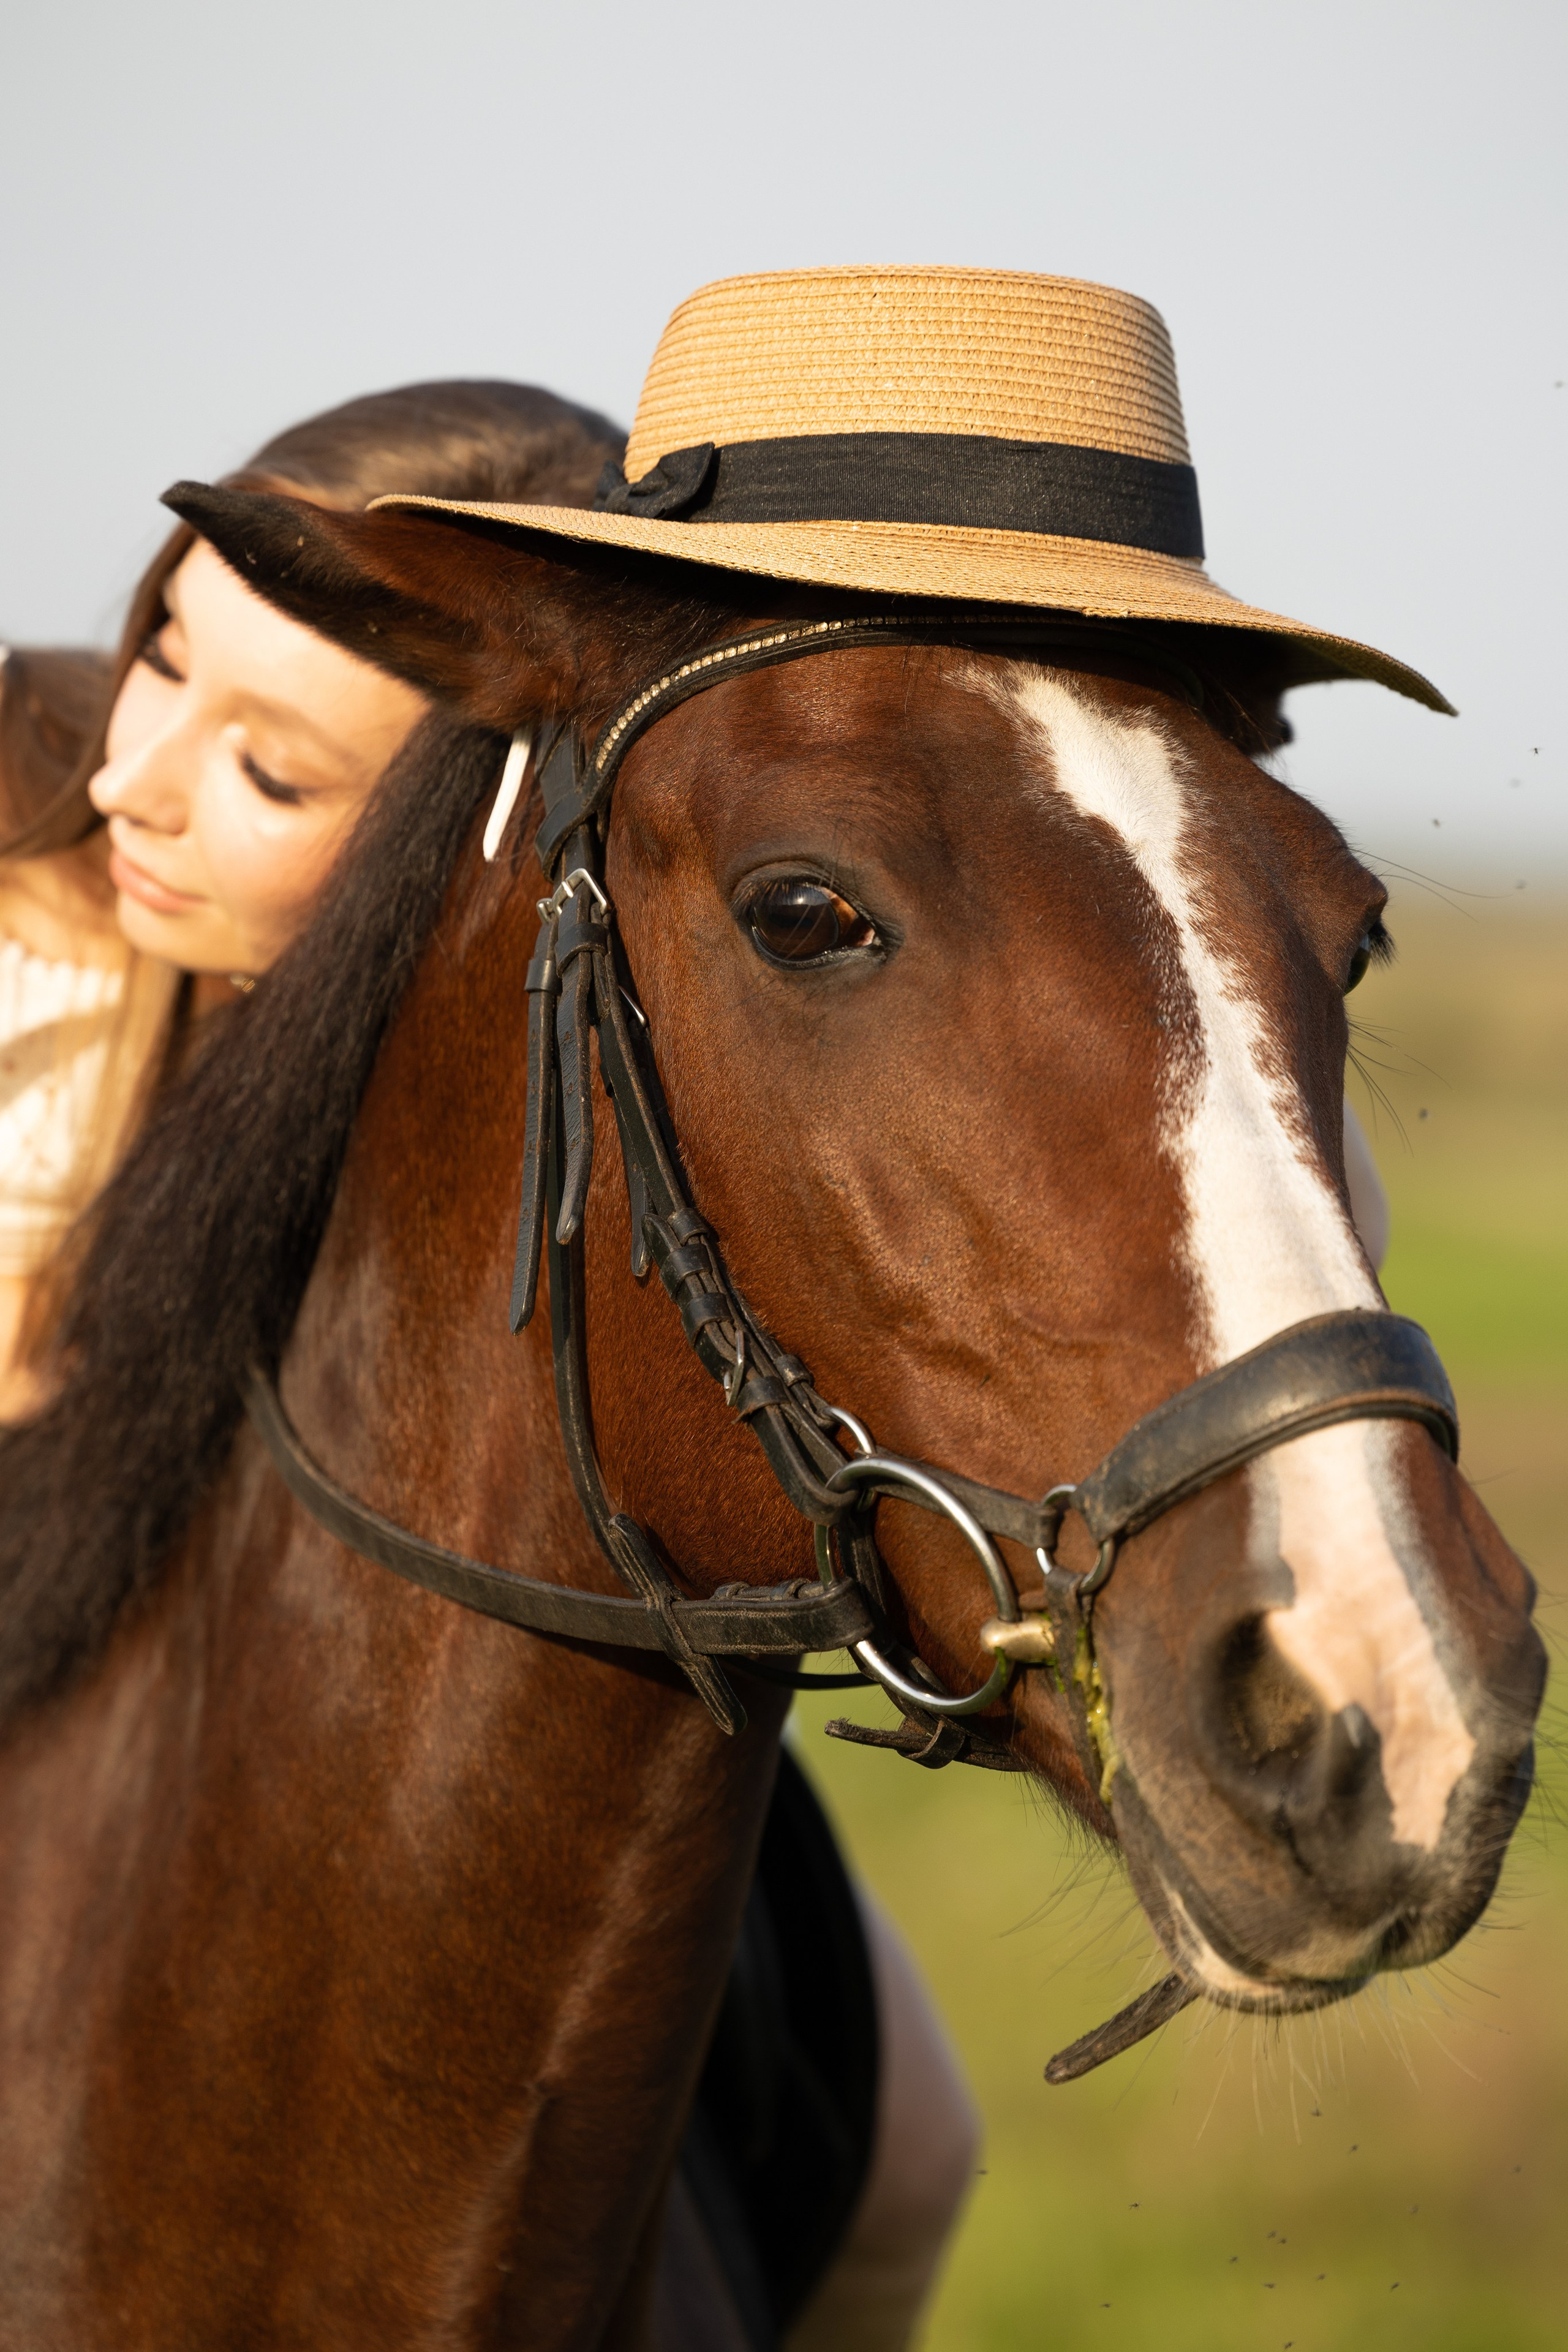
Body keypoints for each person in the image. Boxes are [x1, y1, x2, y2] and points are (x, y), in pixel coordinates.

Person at [0, 380, 980, 2351]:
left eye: (269, 774)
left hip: (377, 1674)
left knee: (918, 2156)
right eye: (160, 654)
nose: (134, 783)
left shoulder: (519, 1015)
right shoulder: (31, 868)